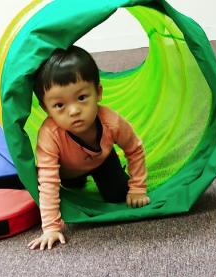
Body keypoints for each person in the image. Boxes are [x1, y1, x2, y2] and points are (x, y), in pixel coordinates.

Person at [28, 46, 150, 250]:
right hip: (66, 169)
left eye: (82, 97)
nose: (74, 110)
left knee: (118, 195)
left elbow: (134, 148)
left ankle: (111, 176)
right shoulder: (49, 135)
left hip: (102, 160)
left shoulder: (111, 121)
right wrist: (51, 227)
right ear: (45, 108)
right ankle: (79, 180)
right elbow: (48, 179)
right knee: (71, 188)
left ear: (98, 93)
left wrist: (138, 188)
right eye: (59, 105)